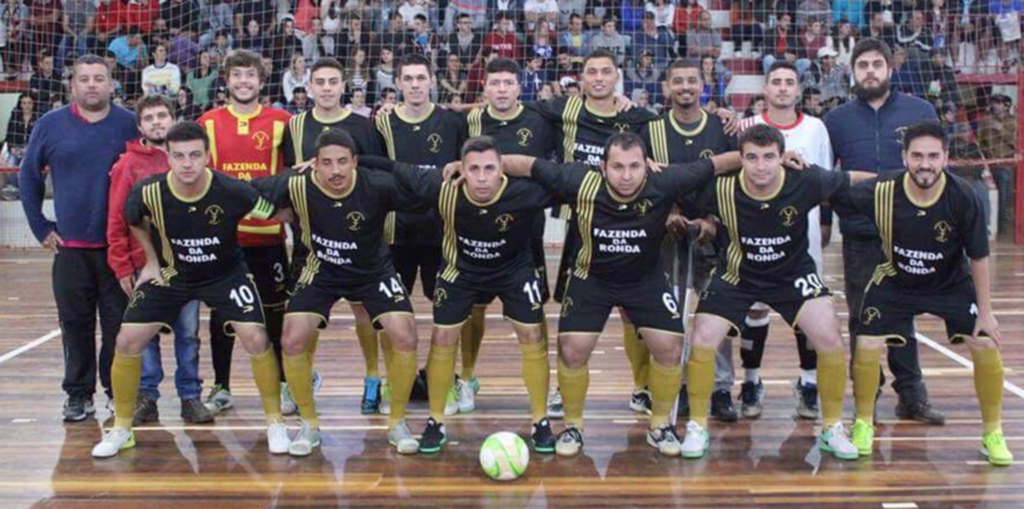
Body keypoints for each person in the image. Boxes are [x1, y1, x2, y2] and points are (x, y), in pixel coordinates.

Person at [496, 132, 741, 457]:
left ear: (647, 166)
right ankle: (573, 427)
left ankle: (659, 426)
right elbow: (526, 164)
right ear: (602, 167)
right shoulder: (578, 180)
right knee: (571, 350)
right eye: (618, 167)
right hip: (591, 279)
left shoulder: (665, 181)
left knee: (670, 348)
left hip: (645, 280)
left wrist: (776, 157)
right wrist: (475, 165)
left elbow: (717, 163)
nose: (626, 176)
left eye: (635, 166)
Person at [90, 121, 286, 458]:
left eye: (195, 155)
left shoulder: (231, 189)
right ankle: (121, 428)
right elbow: (133, 220)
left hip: (225, 275)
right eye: (179, 156)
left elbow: (275, 213)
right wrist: (150, 261)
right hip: (172, 274)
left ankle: (275, 423)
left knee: (256, 336)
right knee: (127, 340)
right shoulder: (149, 191)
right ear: (167, 156)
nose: (187, 163)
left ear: (208, 156)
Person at [682, 124, 869, 460]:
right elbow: (672, 188)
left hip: (792, 275)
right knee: (702, 338)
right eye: (752, 158)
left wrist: (903, 178)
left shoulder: (806, 180)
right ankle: (697, 426)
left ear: (783, 157)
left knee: (829, 338)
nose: (761, 166)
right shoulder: (721, 188)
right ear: (740, 159)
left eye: (769, 157)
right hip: (738, 274)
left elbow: (853, 178)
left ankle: (831, 427)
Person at [362, 136, 559, 454]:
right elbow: (396, 168)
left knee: (532, 332)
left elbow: (570, 179)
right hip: (461, 272)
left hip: (514, 271)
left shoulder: (526, 192)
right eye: (474, 169)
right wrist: (354, 158)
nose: (482, 177)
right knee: (442, 337)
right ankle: (435, 421)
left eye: (490, 169)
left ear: (502, 169)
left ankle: (540, 421)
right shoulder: (442, 188)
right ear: (461, 170)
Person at [834, 120, 1013, 466]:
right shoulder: (882, 190)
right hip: (895, 280)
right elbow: (834, 186)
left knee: (986, 343)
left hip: (949, 283)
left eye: (933, 156)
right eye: (917, 156)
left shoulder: (964, 196)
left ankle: (993, 434)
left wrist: (987, 313)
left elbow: (978, 256)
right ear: (904, 157)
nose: (925, 164)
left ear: (946, 158)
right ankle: (862, 423)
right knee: (867, 341)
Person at [253, 129, 423, 456]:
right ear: (313, 164)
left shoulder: (378, 184)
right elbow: (243, 195)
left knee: (405, 335)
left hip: (373, 270)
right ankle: (308, 424)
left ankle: (398, 422)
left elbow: (425, 194)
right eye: (326, 163)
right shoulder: (296, 184)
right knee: (291, 338)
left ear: (355, 163)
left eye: (343, 162)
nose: (335, 171)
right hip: (321, 270)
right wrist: (274, 213)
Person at [824, 38, 945, 425]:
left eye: (877, 63)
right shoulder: (836, 120)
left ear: (890, 69)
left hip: (909, 231)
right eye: (863, 65)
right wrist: (832, 217)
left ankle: (912, 396)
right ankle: (866, 397)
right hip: (860, 233)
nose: (871, 70)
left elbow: (936, 166)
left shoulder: (920, 110)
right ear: (854, 72)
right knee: (863, 317)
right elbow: (829, 177)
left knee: (903, 315)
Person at [19, 54, 138, 421]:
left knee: (119, 325)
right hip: (70, 248)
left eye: (98, 78)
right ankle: (78, 394)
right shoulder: (50, 125)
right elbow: (28, 177)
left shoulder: (129, 124)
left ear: (111, 84)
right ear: (72, 85)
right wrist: (40, 226)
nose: (91, 85)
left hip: (118, 251)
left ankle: (116, 391)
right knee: (75, 325)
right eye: (84, 78)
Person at [728, 60, 835, 420]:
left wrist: (826, 223)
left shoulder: (816, 128)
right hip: (755, 239)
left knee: (807, 314)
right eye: (777, 82)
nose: (783, 88)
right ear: (765, 90)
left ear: (798, 90)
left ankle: (808, 382)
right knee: (755, 311)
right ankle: (751, 381)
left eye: (790, 82)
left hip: (802, 239)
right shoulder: (746, 127)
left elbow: (824, 180)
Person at [454, 58, 559, 415]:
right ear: (484, 88)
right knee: (473, 306)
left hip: (526, 227)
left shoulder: (540, 120)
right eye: (494, 83)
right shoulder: (469, 121)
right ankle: (467, 378)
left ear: (519, 87)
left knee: (534, 307)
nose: (501, 89)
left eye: (507, 83)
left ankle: (545, 383)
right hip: (477, 227)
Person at [282, 57, 385, 414]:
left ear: (344, 87)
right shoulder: (295, 126)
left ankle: (373, 379)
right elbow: (288, 176)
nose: (326, 88)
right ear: (308, 86)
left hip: (358, 235)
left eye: (333, 82)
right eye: (320, 82)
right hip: (311, 237)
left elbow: (376, 173)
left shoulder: (362, 125)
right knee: (305, 312)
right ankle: (304, 376)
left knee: (364, 312)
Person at [106, 95, 214, 426]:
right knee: (145, 335)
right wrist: (123, 265)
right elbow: (116, 219)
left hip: (187, 264)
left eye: (162, 116)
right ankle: (147, 396)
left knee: (188, 334)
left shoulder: (189, 160)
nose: (156, 122)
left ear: (172, 119)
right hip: (144, 267)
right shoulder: (128, 164)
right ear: (140, 125)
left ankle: (190, 396)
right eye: (149, 118)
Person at [196, 50, 294, 417]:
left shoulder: (282, 122)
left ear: (261, 79)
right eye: (237, 75)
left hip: (268, 238)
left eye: (250, 75)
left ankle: (283, 383)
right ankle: (221, 386)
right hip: (225, 239)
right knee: (224, 314)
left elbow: (294, 173)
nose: (243, 81)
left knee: (274, 314)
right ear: (226, 80)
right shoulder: (206, 122)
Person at [639, 58, 737, 422]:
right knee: (670, 317)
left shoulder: (722, 127)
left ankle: (721, 387)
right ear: (666, 87)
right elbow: (644, 181)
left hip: (714, 233)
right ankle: (673, 382)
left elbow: (732, 180)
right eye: (677, 81)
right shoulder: (652, 130)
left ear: (703, 84)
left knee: (717, 315)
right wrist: (666, 216)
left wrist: (713, 220)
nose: (684, 87)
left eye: (691, 81)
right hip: (668, 236)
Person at [374, 53, 468, 414]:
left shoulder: (452, 123)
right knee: (390, 313)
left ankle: (444, 382)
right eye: (408, 78)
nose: (414, 84)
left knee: (447, 312)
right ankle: (394, 382)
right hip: (395, 234)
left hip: (441, 234)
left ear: (432, 81)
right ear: (397, 83)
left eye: (420, 78)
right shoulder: (382, 125)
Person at [977, 93, 1017, 240]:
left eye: (999, 102)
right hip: (990, 162)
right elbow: (980, 142)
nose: (995, 105)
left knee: (1005, 196)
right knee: (989, 194)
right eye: (993, 102)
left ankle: (1003, 227)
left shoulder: (1015, 121)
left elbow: (1016, 142)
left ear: (1006, 105)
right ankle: (992, 226)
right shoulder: (986, 121)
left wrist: (1000, 129)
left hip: (1007, 162)